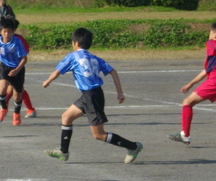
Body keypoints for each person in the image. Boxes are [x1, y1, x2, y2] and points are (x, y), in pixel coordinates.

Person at [42, 27, 142, 164]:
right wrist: (120, 92)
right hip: (90, 95)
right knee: (66, 117)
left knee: (99, 135)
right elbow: (113, 72)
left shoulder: (72, 56)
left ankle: (133, 147)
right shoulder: (94, 58)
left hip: (92, 96)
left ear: (75, 43)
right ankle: (63, 152)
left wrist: (47, 81)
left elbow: (57, 72)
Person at [169, 22, 216, 145]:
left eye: (210, 32)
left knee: (187, 102)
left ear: (215, 34)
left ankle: (185, 134)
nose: (209, 34)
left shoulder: (213, 44)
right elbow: (207, 70)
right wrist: (191, 83)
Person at [0, 17, 28, 126]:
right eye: (5, 31)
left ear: (13, 32)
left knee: (17, 95)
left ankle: (16, 113)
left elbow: (24, 59)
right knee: (2, 87)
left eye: (9, 31)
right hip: (4, 66)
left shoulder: (17, 43)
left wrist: (17, 70)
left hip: (18, 68)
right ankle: (3, 109)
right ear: (1, 32)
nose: (7, 34)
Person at [2, 20, 36, 118]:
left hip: (17, 67)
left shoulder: (18, 39)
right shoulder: (3, 39)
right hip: (6, 67)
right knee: (13, 88)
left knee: (16, 88)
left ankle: (29, 109)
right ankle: (29, 109)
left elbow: (26, 52)